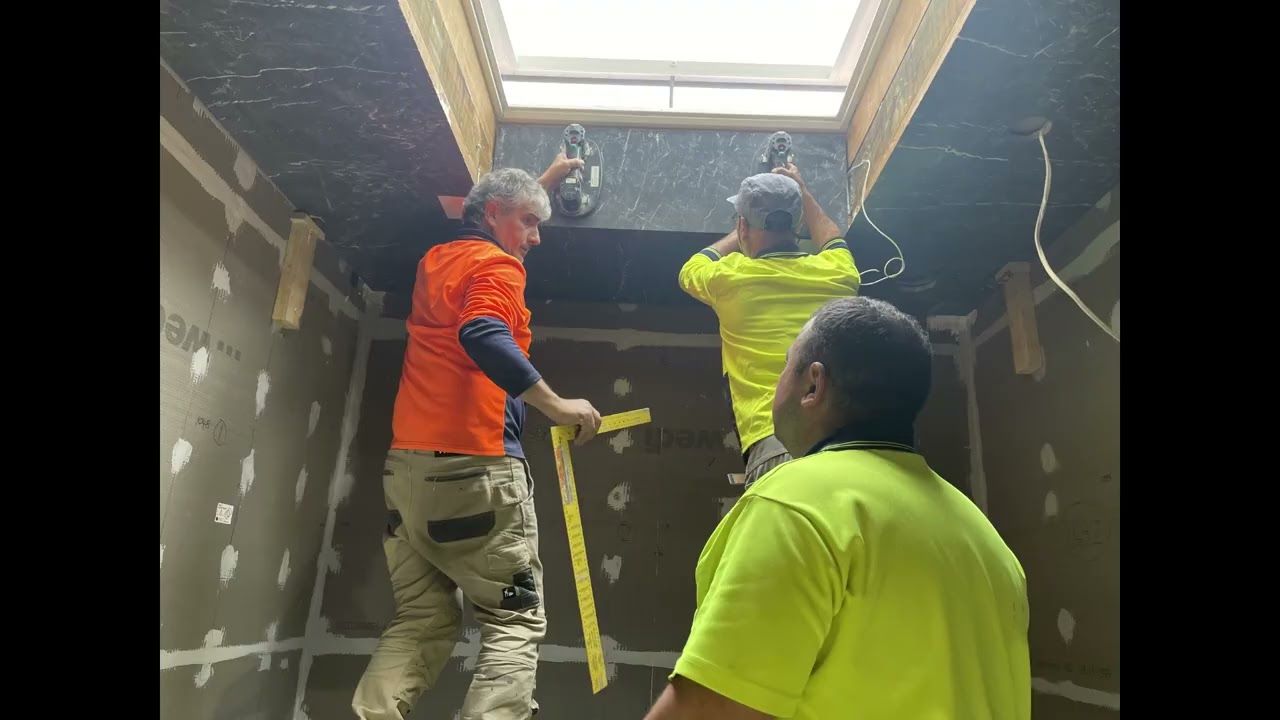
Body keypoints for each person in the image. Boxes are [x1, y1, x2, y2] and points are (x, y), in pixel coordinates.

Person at [644, 297, 1031, 720]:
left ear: (813, 385)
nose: (778, 384)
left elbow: (707, 711)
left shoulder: (794, 504)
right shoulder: (987, 541)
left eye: (784, 367)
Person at [352, 156, 604, 720]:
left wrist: (535, 190)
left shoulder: (438, 260)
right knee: (514, 621)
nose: (536, 239)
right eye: (529, 224)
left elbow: (493, 222)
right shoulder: (499, 267)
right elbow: (483, 330)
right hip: (476, 473)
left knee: (422, 620)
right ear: (493, 215)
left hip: (409, 474)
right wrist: (557, 405)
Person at [677, 164, 860, 488]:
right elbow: (832, 239)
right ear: (798, 222)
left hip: (776, 444)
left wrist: (741, 232)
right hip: (847, 450)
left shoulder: (729, 278)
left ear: (743, 225)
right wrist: (802, 191)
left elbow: (692, 267)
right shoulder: (838, 273)